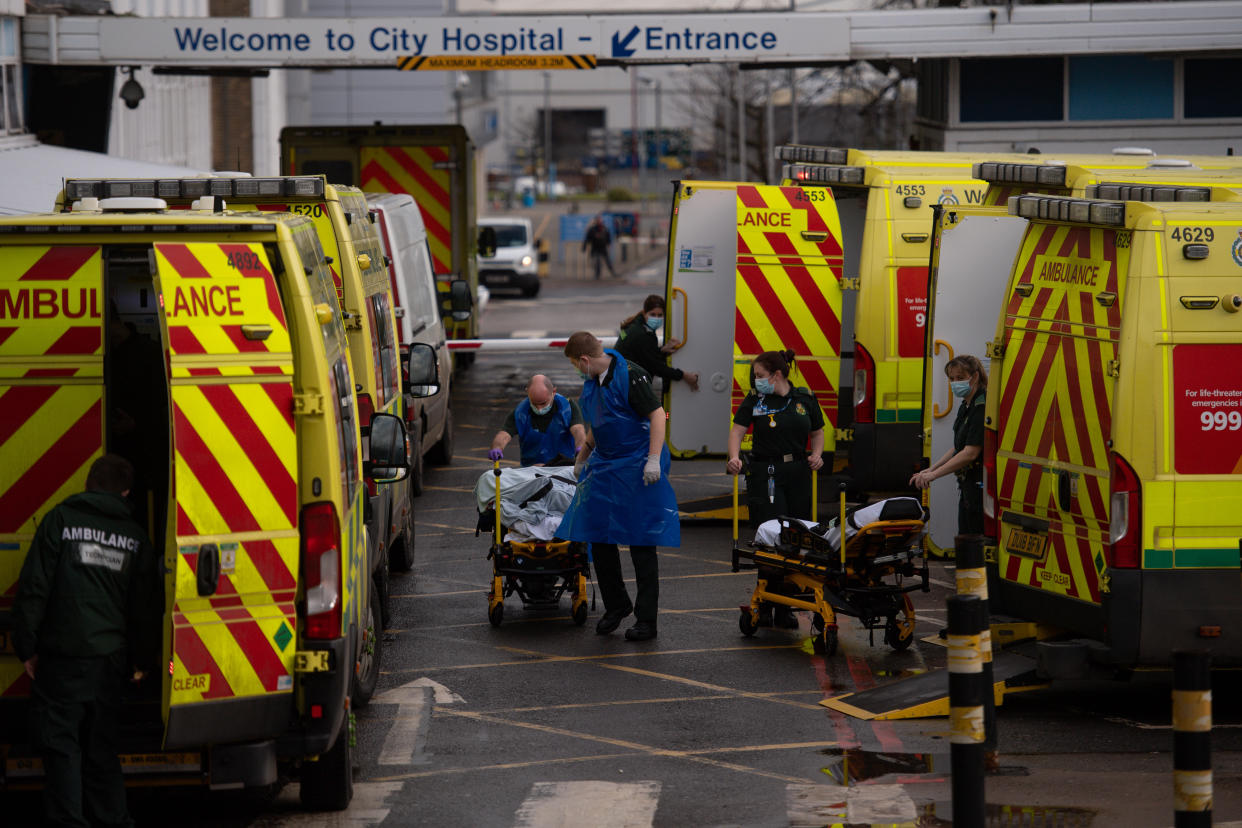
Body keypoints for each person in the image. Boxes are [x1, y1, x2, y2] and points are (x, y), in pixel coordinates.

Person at [13, 454, 160, 828]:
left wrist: (26, 647)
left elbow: (34, 589)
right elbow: (144, 607)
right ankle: (115, 820)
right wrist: (144, 662)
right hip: (109, 660)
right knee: (101, 747)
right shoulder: (135, 538)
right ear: (126, 493)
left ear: (87, 484)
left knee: (62, 747)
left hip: (61, 660)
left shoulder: (59, 522)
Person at [556, 332, 680, 641]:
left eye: (574, 364)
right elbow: (601, 424)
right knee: (598, 535)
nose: (575, 369)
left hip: (637, 465)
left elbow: (657, 416)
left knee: (640, 543)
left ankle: (646, 621)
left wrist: (653, 459)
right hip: (607, 464)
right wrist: (583, 457)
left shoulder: (631, 376)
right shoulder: (593, 382)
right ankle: (617, 604)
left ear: (585, 360)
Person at [726, 350, 825, 629]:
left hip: (798, 472)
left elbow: (817, 431)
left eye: (759, 376)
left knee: (797, 537)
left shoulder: (804, 399)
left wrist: (817, 455)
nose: (756, 381)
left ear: (777, 375)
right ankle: (767, 603)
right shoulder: (755, 401)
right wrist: (734, 457)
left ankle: (785, 606)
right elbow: (737, 431)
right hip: (766, 473)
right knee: (772, 536)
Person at [910, 354, 987, 535]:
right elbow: (958, 447)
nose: (954, 382)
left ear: (974, 377)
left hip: (979, 485)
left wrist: (934, 475)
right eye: (952, 378)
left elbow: (970, 453)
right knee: (966, 538)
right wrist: (931, 469)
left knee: (973, 540)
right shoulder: (966, 405)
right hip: (967, 485)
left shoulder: (981, 407)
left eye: (960, 378)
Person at [488, 374, 588, 467]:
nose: (539, 409)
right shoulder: (520, 412)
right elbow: (504, 435)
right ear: (527, 392)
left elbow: (578, 430)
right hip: (532, 469)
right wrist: (497, 447)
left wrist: (581, 446)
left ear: (553, 392)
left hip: (563, 466)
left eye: (543, 403)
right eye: (535, 404)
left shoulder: (568, 407)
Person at [616, 294, 700, 394]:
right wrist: (684, 375)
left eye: (660, 315)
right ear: (644, 313)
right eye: (653, 314)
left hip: (622, 380)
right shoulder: (642, 334)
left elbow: (644, 354)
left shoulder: (635, 326)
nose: (656, 318)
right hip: (627, 386)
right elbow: (656, 367)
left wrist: (662, 350)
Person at [582, 215, 616, 279]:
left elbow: (608, 237)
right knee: (597, 261)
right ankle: (597, 275)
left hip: (603, 247)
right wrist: (584, 247)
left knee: (607, 261)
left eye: (600, 220)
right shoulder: (592, 229)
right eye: (598, 220)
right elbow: (587, 239)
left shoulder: (605, 228)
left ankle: (613, 273)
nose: (600, 222)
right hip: (595, 248)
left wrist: (609, 243)